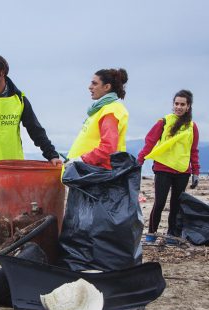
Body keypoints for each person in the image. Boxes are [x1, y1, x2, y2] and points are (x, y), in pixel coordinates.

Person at [0, 54, 61, 213]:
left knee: (17, 215)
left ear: (2, 71)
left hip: (16, 169)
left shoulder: (19, 100)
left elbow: (35, 130)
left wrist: (52, 155)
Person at [137, 89, 200, 242]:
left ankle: (173, 235)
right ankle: (152, 233)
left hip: (182, 170)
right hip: (162, 168)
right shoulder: (164, 121)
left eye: (182, 104)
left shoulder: (192, 127)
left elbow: (193, 150)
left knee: (176, 205)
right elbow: (150, 142)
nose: (178, 107)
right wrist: (140, 160)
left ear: (188, 106)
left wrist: (195, 172)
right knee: (159, 203)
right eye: (176, 103)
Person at [66, 68, 129, 168]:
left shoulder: (111, 111)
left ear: (107, 87)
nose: (90, 87)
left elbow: (108, 148)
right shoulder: (100, 109)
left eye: (94, 84)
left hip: (96, 174)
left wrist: (81, 159)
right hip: (87, 171)